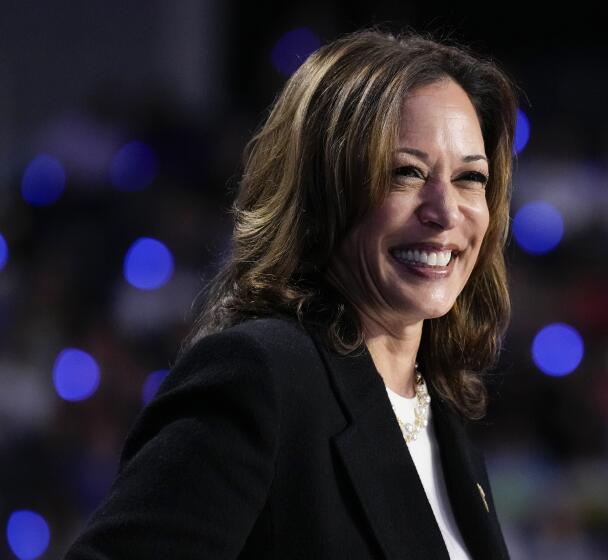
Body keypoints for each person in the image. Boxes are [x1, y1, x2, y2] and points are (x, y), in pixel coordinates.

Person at [64, 27, 518, 559]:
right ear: (325, 191)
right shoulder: (261, 376)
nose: (445, 212)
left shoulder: (444, 417)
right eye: (406, 173)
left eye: (470, 178)